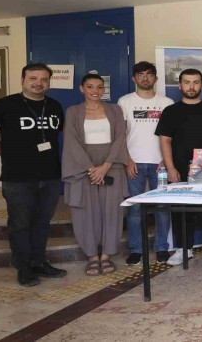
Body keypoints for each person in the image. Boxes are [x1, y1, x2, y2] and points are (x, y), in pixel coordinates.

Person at [0, 63, 67, 286]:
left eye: (43, 79)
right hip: (17, 178)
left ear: (49, 82)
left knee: (42, 222)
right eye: (33, 78)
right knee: (20, 224)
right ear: (23, 80)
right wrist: (6, 154)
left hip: (50, 176)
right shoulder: (4, 105)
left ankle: (39, 262)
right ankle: (24, 268)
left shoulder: (54, 106)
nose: (38, 83)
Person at [156, 69, 202, 266]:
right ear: (180, 86)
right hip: (180, 168)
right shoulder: (171, 111)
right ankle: (183, 249)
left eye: (196, 82)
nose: (191, 86)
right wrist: (170, 167)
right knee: (181, 208)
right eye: (187, 82)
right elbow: (165, 141)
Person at [62, 73, 129, 276]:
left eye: (99, 87)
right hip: (83, 165)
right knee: (85, 211)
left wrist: (106, 166)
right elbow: (71, 140)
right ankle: (92, 256)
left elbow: (120, 138)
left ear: (104, 89)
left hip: (111, 163)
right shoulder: (73, 111)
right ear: (82, 89)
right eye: (90, 86)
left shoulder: (115, 109)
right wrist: (91, 168)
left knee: (112, 210)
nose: (95, 91)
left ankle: (107, 255)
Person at [117, 62, 174, 266]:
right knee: (134, 209)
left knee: (162, 207)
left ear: (155, 78)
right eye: (140, 74)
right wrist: (127, 160)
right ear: (134, 78)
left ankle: (161, 248)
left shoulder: (167, 103)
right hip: (134, 163)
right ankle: (136, 250)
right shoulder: (124, 101)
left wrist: (165, 160)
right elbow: (120, 134)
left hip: (160, 164)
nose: (145, 78)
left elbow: (171, 136)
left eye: (149, 74)